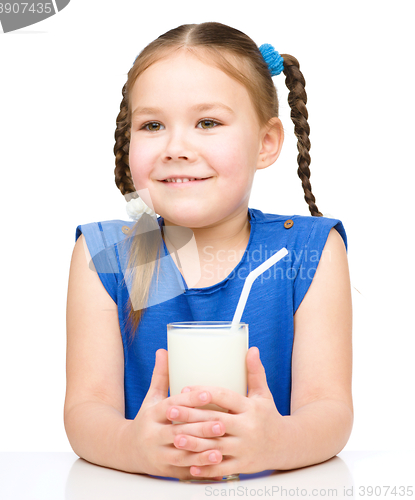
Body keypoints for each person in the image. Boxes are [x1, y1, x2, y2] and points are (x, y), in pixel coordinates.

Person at [64, 22, 353, 481]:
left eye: (208, 123)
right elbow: (85, 412)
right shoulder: (106, 255)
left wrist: (276, 442)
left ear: (266, 142)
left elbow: (330, 411)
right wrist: (134, 446)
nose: (177, 147)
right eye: (153, 125)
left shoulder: (309, 251)